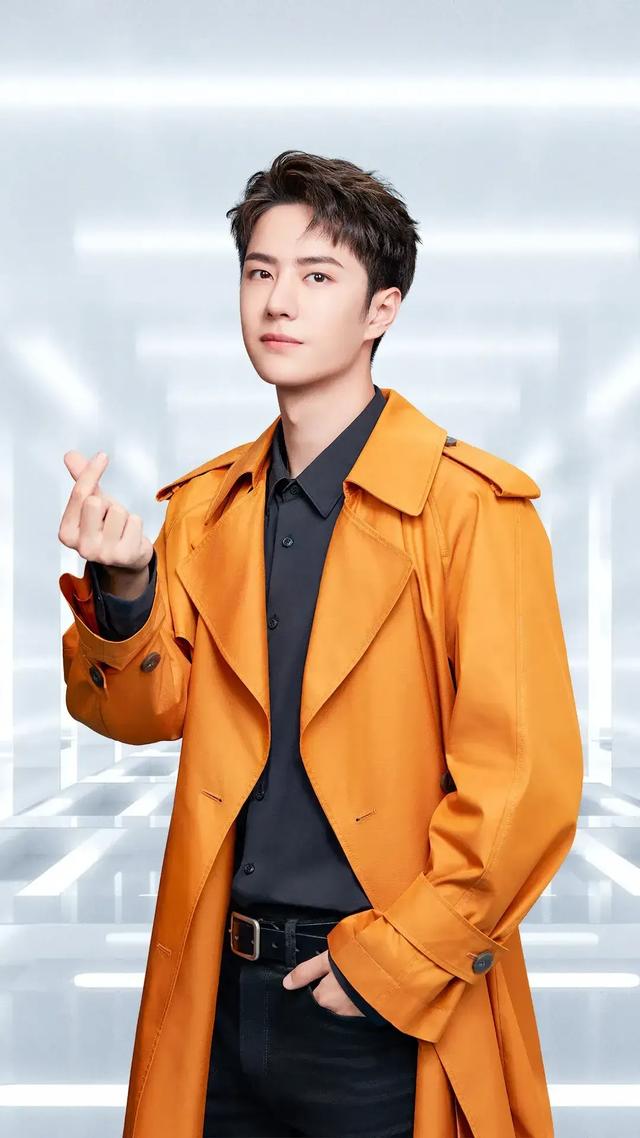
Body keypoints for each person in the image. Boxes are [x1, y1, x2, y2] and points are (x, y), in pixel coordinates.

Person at [58, 150, 584, 1138]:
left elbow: (525, 787)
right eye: (259, 271)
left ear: (381, 309)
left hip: (378, 1001)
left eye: (316, 274)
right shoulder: (207, 507)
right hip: (217, 988)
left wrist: (391, 966)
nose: (278, 301)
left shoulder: (470, 511)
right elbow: (142, 713)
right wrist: (124, 587)